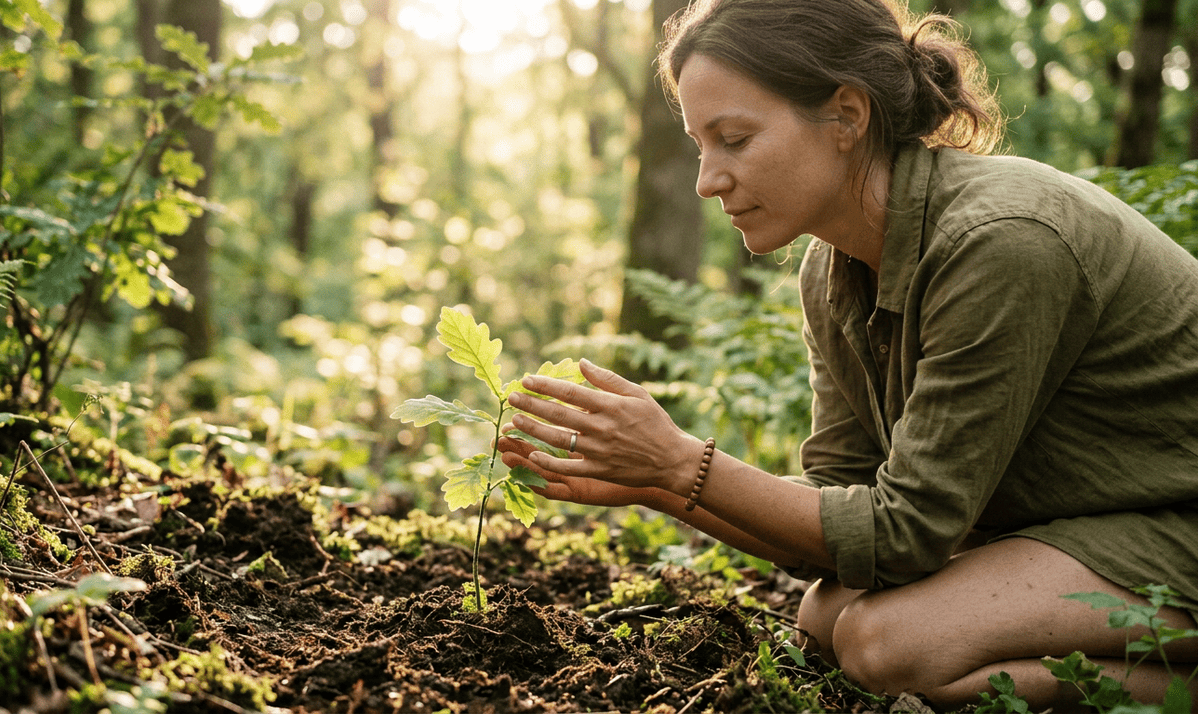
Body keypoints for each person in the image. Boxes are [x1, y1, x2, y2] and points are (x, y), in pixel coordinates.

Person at [496, 0, 1198, 709]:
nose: (708, 179)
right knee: (826, 616)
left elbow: (902, 535)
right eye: (700, 146)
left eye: (734, 139)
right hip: (1094, 522)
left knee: (889, 645)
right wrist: (656, 482)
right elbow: (839, 505)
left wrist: (682, 463)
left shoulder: (1002, 241)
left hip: (1178, 523)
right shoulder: (832, 271)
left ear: (847, 116)